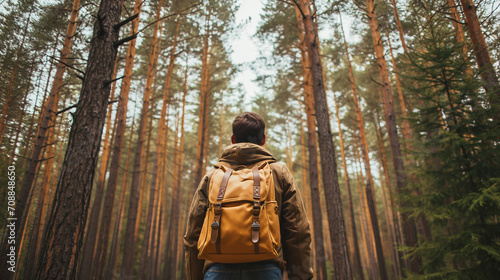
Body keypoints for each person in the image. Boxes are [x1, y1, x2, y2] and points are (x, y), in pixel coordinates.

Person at [184, 112, 314, 280]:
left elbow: (193, 235)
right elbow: (297, 231)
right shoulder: (278, 173)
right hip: (266, 269)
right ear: (263, 139)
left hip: (217, 271)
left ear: (233, 139)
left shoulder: (213, 175)